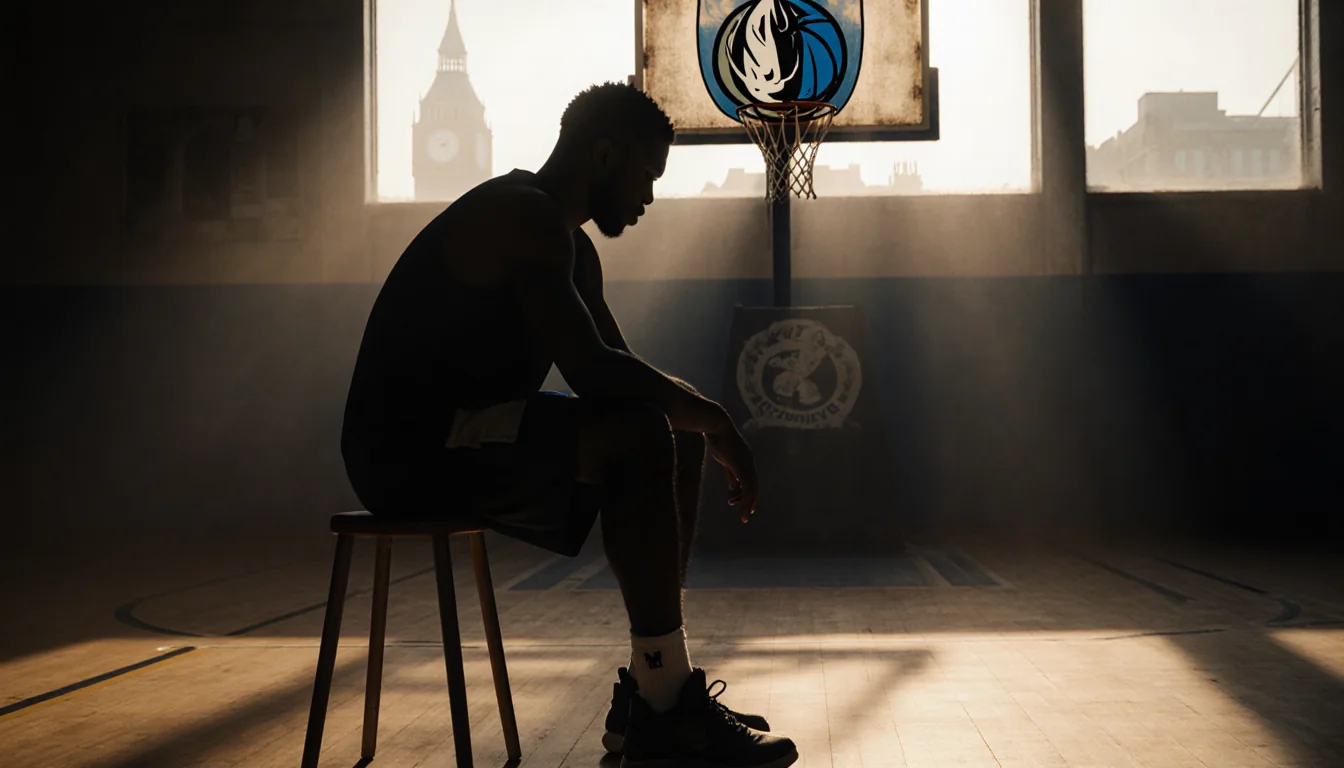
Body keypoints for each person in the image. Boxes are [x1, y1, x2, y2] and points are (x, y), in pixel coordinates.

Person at [340, 82, 799, 768]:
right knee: (650, 430)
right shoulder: (521, 216)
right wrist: (719, 420)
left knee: (665, 431)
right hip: (407, 451)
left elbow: (619, 369)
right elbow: (595, 374)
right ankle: (667, 709)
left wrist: (700, 421)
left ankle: (657, 689)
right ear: (605, 154)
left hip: (468, 434)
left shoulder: (571, 248)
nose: (648, 199)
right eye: (646, 177)